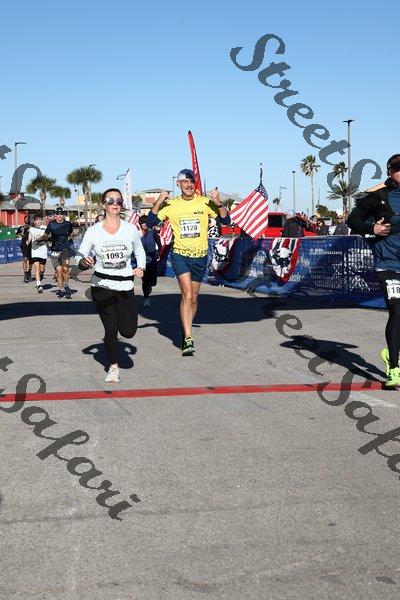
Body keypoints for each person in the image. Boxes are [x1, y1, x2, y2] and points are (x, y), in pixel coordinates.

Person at [147, 169, 231, 356]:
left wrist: (218, 202)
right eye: (185, 182)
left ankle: (185, 327)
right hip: (180, 255)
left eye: (191, 181)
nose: (189, 185)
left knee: (194, 297)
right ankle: (188, 337)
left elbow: (225, 221)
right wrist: (159, 201)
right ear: (178, 184)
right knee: (186, 294)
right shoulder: (171, 204)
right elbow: (151, 222)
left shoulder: (204, 202)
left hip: (200, 256)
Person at [78, 188, 146, 383]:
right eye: (110, 200)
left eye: (118, 201)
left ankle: (117, 353)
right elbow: (80, 255)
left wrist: (140, 267)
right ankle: (113, 366)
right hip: (102, 285)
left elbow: (139, 251)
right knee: (110, 328)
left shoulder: (130, 229)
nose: (115, 203)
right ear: (103, 204)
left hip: (125, 285)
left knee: (128, 332)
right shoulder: (93, 231)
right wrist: (84, 262)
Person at [348, 153, 400, 386]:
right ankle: (394, 368)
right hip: (388, 264)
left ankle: (391, 353)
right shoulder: (378, 197)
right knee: (397, 311)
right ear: (390, 172)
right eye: (398, 168)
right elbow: (353, 220)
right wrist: (372, 228)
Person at [40, 207, 74, 298]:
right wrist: (46, 238)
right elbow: (45, 235)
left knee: (65, 269)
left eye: (61, 214)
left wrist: (71, 238)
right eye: (58, 214)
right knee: (59, 271)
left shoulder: (68, 224)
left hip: (65, 249)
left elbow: (70, 233)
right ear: (55, 215)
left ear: (63, 215)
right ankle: (61, 290)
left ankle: (66, 286)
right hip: (55, 250)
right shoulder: (51, 224)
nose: (59, 216)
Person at [138, 215, 160, 307]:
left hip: (152, 256)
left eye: (147, 223)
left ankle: (150, 285)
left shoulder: (152, 232)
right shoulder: (137, 234)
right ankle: (146, 299)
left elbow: (159, 244)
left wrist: (158, 252)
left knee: (153, 281)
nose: (145, 225)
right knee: (145, 280)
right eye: (143, 223)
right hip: (142, 258)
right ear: (140, 224)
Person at [28, 214, 48, 293]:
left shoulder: (45, 228)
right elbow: (30, 237)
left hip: (43, 251)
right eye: (36, 220)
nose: (38, 221)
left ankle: (41, 274)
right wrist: (28, 241)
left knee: (41, 269)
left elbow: (48, 236)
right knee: (37, 268)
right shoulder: (31, 229)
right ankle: (39, 284)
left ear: (42, 221)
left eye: (40, 219)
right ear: (34, 221)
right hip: (35, 251)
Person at [16, 214, 32, 282]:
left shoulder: (32, 227)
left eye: (28, 218)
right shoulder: (21, 227)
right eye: (26, 218)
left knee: (31, 260)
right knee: (25, 259)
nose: (27, 219)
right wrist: (20, 234)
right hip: (23, 245)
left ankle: (29, 273)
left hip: (31, 245)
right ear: (24, 220)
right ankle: (25, 274)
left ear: (29, 220)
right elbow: (17, 235)